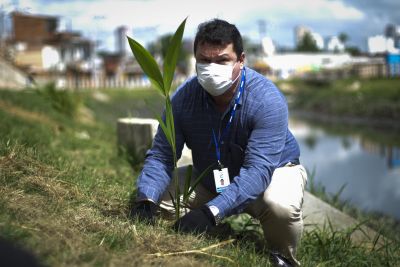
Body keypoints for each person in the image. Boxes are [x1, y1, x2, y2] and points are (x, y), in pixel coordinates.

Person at [130, 18, 307, 267]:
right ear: (195, 60)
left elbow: (258, 171)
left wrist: (210, 212)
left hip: (273, 171)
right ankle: (214, 229)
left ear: (241, 60)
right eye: (204, 60)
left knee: (279, 207)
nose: (212, 68)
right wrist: (145, 200)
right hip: (212, 174)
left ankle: (282, 256)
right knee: (156, 197)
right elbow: (161, 154)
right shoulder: (183, 100)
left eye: (222, 60)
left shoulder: (267, 100)